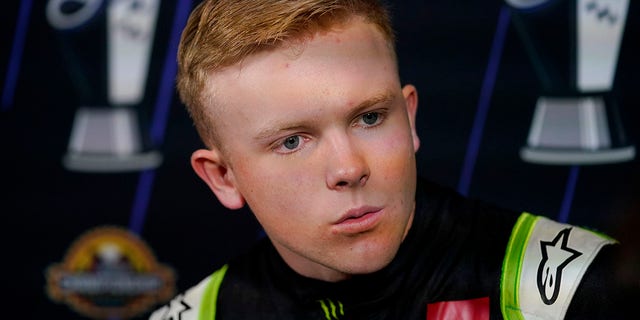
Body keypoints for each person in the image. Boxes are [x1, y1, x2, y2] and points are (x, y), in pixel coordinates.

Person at [150, 0, 635, 319]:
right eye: (292, 142)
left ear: (410, 118)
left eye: (370, 117)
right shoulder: (199, 314)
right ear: (223, 178)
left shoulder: (581, 290)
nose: (349, 168)